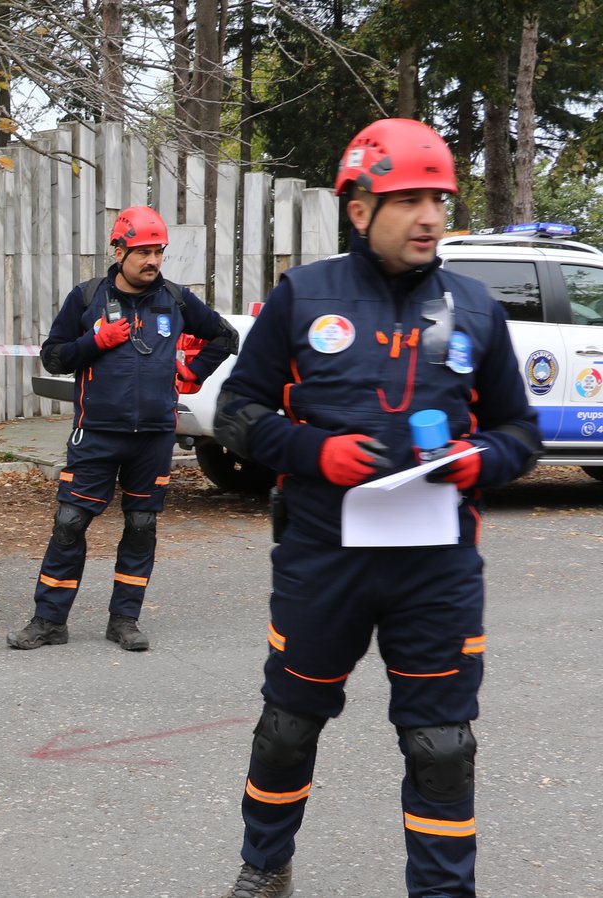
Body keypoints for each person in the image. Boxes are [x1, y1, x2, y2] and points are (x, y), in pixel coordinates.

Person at [212, 118, 541, 898]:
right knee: (288, 728)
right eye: (410, 199)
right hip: (323, 558)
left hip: (436, 569)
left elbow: (519, 433)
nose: (431, 216)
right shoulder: (303, 297)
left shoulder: (475, 308)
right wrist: (311, 452)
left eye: (440, 198)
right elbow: (235, 415)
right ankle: (265, 867)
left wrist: (476, 463)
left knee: (440, 746)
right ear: (359, 208)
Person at [9, 205, 238, 653]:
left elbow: (224, 337)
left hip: (154, 437)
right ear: (118, 250)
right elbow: (53, 356)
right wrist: (95, 341)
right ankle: (49, 620)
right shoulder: (87, 296)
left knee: (141, 524)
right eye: (142, 252)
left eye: (158, 251)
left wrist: (195, 374)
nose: (152, 260)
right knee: (70, 522)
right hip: (96, 434)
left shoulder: (175, 298)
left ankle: (125, 619)